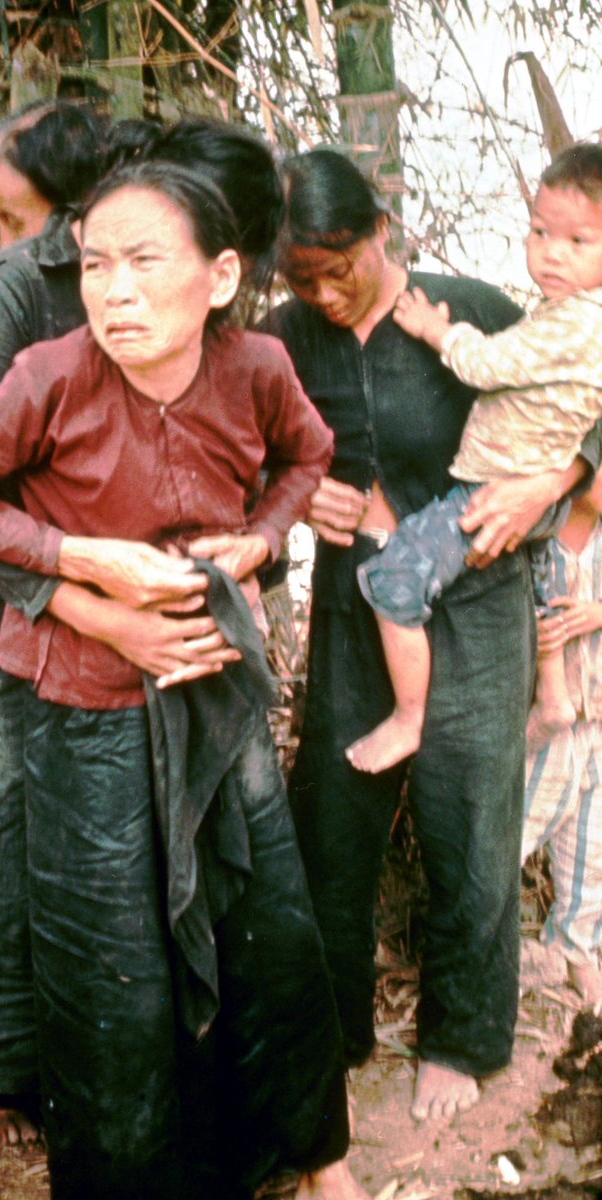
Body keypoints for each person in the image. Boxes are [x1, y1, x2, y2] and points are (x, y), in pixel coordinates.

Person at [0, 160, 368, 1200]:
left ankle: (314, 1162)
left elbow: (307, 457)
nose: (113, 293)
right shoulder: (50, 375)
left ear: (220, 277)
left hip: (212, 685)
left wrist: (260, 538)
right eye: (94, 265)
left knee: (267, 927)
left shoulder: (255, 366)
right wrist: (82, 566)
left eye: (144, 263)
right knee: (103, 956)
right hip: (83, 704)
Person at [266, 145, 601, 1122]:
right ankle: (334, 1033)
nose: (326, 294)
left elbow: (584, 414)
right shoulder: (282, 336)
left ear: (383, 231)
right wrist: (298, 496)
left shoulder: (472, 311)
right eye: (303, 278)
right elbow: (243, 449)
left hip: (481, 598)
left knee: (470, 819)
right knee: (333, 817)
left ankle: (460, 1039)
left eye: (341, 268)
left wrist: (553, 483)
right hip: (357, 601)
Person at [351, 142, 602, 774]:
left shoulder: (575, 324)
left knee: (395, 578)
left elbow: (486, 366)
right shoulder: (576, 315)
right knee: (540, 586)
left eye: (579, 241)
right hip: (541, 491)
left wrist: (434, 329)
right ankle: (553, 694)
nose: (552, 253)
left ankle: (409, 716)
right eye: (541, 232)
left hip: (496, 490)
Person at [523, 466, 602, 1008]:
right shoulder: (537, 537)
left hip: (598, 718)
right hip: (546, 722)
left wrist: (597, 613)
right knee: (513, 830)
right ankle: (485, 948)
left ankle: (574, 947)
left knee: (592, 846)